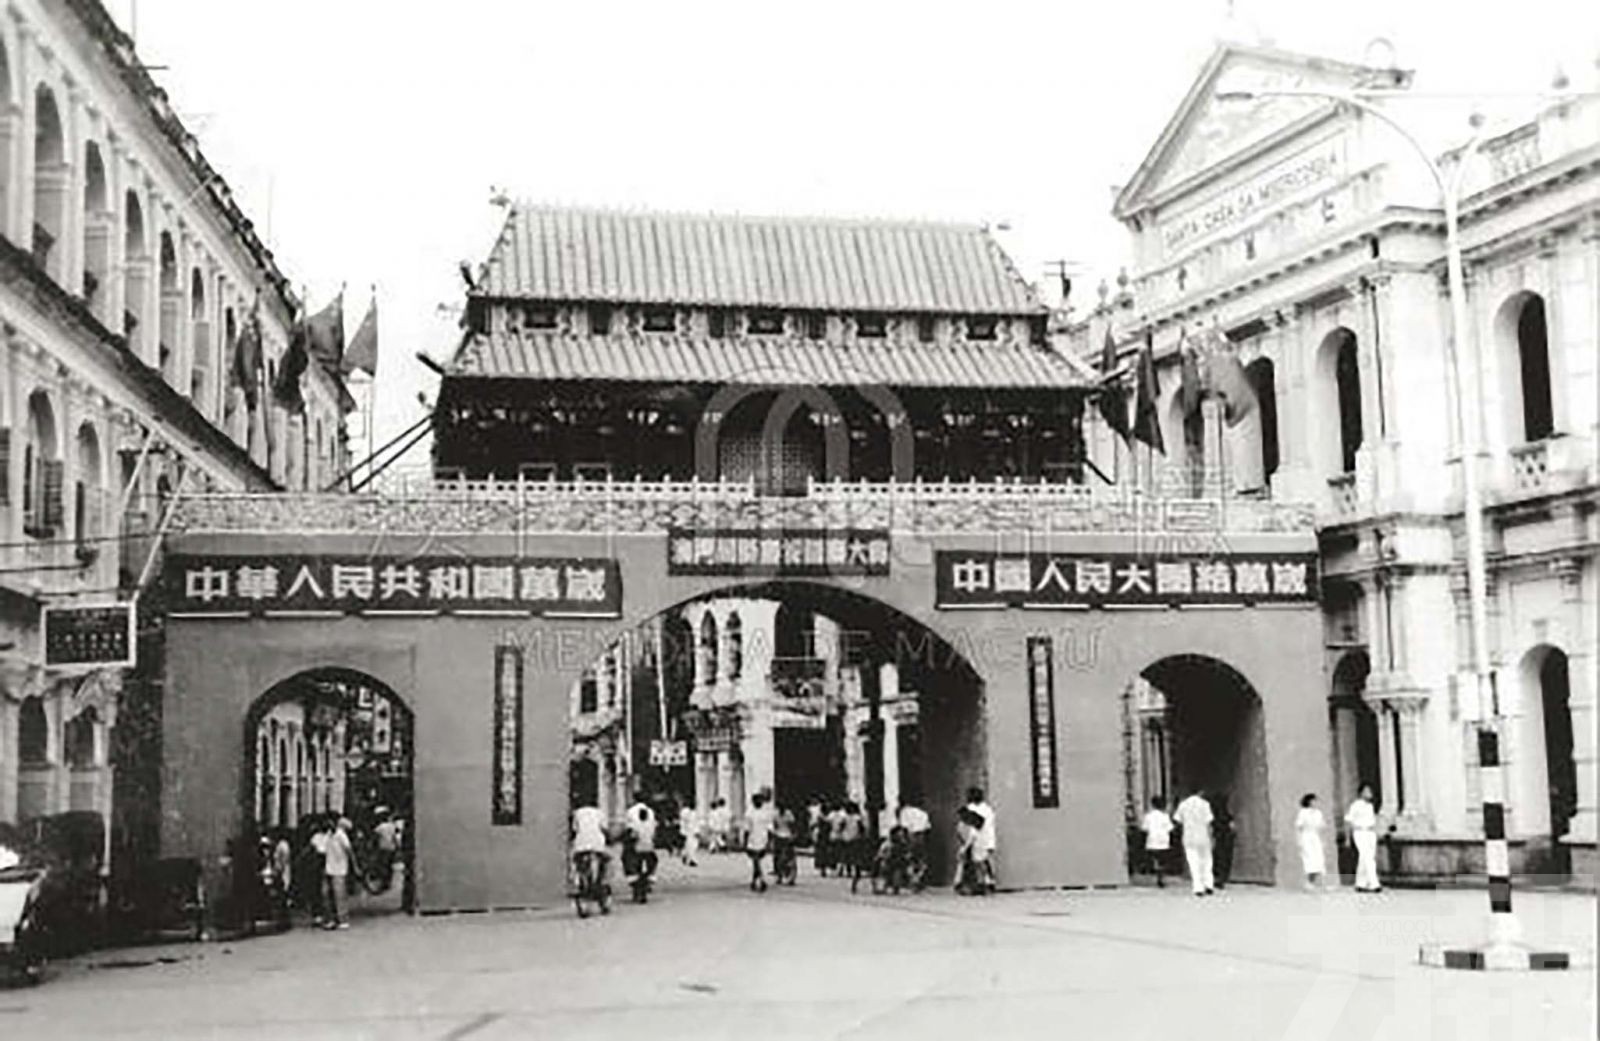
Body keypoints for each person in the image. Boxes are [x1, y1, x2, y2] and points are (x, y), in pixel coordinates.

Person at [1173, 789, 1215, 896]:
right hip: (1203, 836)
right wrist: (1211, 837)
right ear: (1200, 792)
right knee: (1207, 862)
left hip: (1189, 837)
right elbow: (1208, 822)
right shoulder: (1205, 804)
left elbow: (1177, 820)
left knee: (1193, 862)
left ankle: (1198, 887)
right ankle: (1209, 884)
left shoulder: (1183, 805)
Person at [1345, 784, 1382, 893]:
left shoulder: (1370, 806)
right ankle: (1374, 883)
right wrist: (1348, 837)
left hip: (1370, 832)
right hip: (1360, 831)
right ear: (1361, 793)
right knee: (1367, 857)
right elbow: (1349, 820)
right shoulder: (1355, 805)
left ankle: (1361, 883)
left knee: (1365, 858)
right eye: (1367, 791)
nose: (1370, 793)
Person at [322, 817, 357, 929]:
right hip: (328, 868)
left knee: (339, 895)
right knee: (326, 894)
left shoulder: (341, 835)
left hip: (340, 869)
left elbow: (349, 851)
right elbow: (323, 850)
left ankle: (343, 919)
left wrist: (355, 866)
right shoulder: (328, 835)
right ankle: (331, 919)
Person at [571, 801, 610, 895]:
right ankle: (601, 880)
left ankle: (579, 881)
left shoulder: (577, 813)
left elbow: (574, 829)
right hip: (598, 843)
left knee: (576, 861)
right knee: (605, 861)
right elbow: (604, 828)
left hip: (581, 843)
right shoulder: (600, 813)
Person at [1140, 796, 1175, 888]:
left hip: (1152, 840)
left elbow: (1144, 829)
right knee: (1162, 860)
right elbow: (1170, 828)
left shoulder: (1148, 816)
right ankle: (1161, 876)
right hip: (1163, 841)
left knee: (1155, 859)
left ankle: (1157, 872)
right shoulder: (1165, 816)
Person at [745, 792, 776, 892]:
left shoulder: (766, 813)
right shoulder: (749, 813)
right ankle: (759, 880)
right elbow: (747, 828)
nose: (759, 802)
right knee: (756, 861)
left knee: (757, 861)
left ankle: (757, 880)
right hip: (752, 840)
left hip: (763, 839)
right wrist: (745, 842)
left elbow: (770, 828)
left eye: (760, 800)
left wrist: (770, 841)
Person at [1296, 793, 1327, 890]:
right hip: (1306, 837)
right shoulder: (1303, 813)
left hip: (1315, 836)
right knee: (1309, 859)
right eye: (1313, 801)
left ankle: (1320, 882)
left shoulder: (1318, 813)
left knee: (1319, 858)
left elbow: (1321, 826)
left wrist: (1323, 839)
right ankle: (1309, 881)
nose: (1315, 803)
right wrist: (1299, 840)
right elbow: (1299, 827)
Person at [1209, 791, 1236, 890]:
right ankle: (1221, 878)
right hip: (1226, 839)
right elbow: (1232, 828)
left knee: (1216, 858)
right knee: (1224, 859)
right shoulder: (1227, 816)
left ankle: (1216, 877)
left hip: (1217, 838)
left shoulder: (1213, 816)